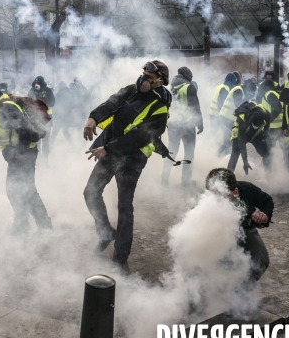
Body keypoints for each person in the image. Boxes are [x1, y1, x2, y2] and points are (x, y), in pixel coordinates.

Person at [83, 60, 171, 274]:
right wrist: (92, 118)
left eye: (149, 77)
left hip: (132, 157)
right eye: (143, 73)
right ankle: (105, 233)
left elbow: (139, 136)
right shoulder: (132, 89)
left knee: (124, 207)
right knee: (90, 192)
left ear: (160, 82)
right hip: (110, 148)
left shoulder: (160, 107)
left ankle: (120, 260)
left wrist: (108, 149)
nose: (143, 79)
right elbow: (111, 103)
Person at [0, 79, 52, 234]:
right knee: (16, 190)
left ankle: (42, 226)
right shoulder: (3, 103)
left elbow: (25, 129)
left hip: (22, 154)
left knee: (25, 190)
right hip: (18, 155)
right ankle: (24, 223)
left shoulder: (5, 105)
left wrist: (21, 151)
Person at [205, 168, 273, 286]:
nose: (216, 200)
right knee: (220, 265)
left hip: (245, 228)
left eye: (222, 196)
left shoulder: (248, 189)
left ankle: (243, 291)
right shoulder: (204, 203)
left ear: (235, 191)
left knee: (261, 260)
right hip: (219, 233)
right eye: (213, 195)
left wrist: (264, 216)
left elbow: (267, 201)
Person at [161, 66, 203, 188]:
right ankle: (185, 181)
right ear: (188, 76)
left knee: (171, 152)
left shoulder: (170, 88)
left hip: (173, 124)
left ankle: (164, 180)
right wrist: (200, 123)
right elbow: (195, 106)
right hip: (187, 124)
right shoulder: (189, 87)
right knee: (189, 153)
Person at [227, 101, 271, 174]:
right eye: (254, 125)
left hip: (255, 134)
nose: (255, 127)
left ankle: (268, 174)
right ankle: (228, 176)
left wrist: (266, 130)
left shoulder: (265, 113)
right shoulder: (243, 119)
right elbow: (242, 143)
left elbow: (268, 119)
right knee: (235, 154)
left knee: (266, 153)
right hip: (240, 133)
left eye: (257, 125)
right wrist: (245, 162)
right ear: (251, 121)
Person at [28, 76, 55, 162]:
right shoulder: (31, 91)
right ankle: (38, 159)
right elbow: (27, 102)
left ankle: (45, 160)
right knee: (37, 140)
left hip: (47, 119)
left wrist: (42, 100)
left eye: (38, 83)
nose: (37, 85)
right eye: (35, 83)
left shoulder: (48, 91)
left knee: (46, 141)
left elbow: (53, 102)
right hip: (35, 119)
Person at [217, 74, 245, 155]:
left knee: (228, 139)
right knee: (229, 139)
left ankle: (224, 155)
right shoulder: (235, 89)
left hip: (225, 117)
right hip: (227, 118)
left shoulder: (232, 89)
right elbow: (237, 104)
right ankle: (219, 155)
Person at [209, 73, 236, 142]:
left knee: (213, 132)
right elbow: (220, 102)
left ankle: (205, 145)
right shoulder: (225, 89)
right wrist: (222, 115)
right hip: (218, 115)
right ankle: (227, 150)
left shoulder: (219, 86)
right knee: (227, 133)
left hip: (212, 113)